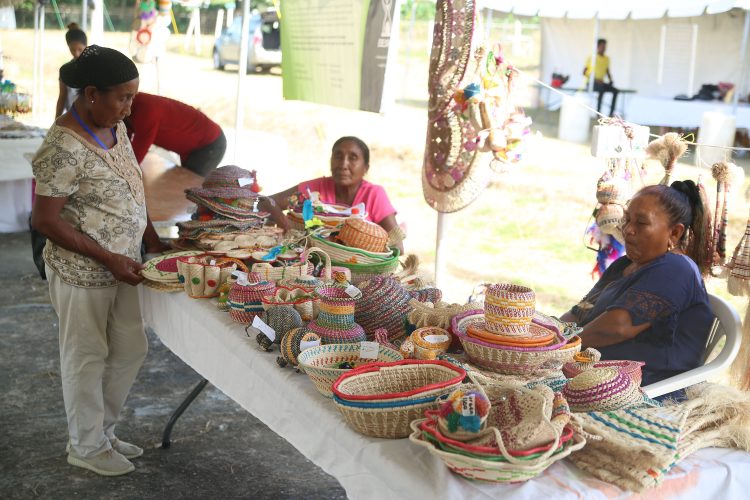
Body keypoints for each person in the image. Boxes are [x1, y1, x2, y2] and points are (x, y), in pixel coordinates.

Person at [31, 45, 167, 476]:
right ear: (91, 93)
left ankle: (103, 432)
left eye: (132, 97)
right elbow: (45, 220)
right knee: (86, 355)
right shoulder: (63, 145)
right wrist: (107, 257)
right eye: (122, 98)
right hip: (82, 271)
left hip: (123, 264)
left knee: (130, 347)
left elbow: (129, 186)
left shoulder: (113, 125)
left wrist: (152, 239)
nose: (129, 109)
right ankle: (85, 445)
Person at [559, 181, 714, 387]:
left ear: (674, 233)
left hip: (645, 387)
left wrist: (559, 346)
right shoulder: (624, 264)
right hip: (594, 374)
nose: (628, 229)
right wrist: (549, 333)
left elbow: (618, 327)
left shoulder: (676, 269)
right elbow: (580, 312)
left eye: (641, 223)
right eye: (627, 219)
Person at [270, 136, 404, 253]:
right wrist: (286, 225)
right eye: (338, 156)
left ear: (365, 168)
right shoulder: (314, 189)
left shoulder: (374, 194)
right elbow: (266, 202)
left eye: (353, 158)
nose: (343, 164)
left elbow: (397, 247)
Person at [125, 92, 226, 177]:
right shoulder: (130, 108)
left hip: (209, 144)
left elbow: (137, 152)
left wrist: (122, 171)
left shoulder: (145, 109)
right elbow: (125, 138)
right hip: (200, 144)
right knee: (180, 187)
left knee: (188, 189)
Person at [55, 23, 87, 118]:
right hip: (73, 117)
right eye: (72, 50)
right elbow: (62, 97)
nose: (76, 54)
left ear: (86, 46)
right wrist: (56, 120)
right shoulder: (66, 70)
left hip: (90, 119)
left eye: (80, 49)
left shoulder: (94, 68)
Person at [583, 38, 619, 117]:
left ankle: (611, 114)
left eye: (605, 46)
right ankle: (598, 113)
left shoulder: (607, 58)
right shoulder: (592, 57)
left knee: (615, 91)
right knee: (601, 89)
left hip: (601, 83)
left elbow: (607, 71)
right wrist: (595, 80)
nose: (604, 48)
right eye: (602, 46)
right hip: (592, 83)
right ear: (598, 47)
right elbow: (584, 72)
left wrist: (610, 80)